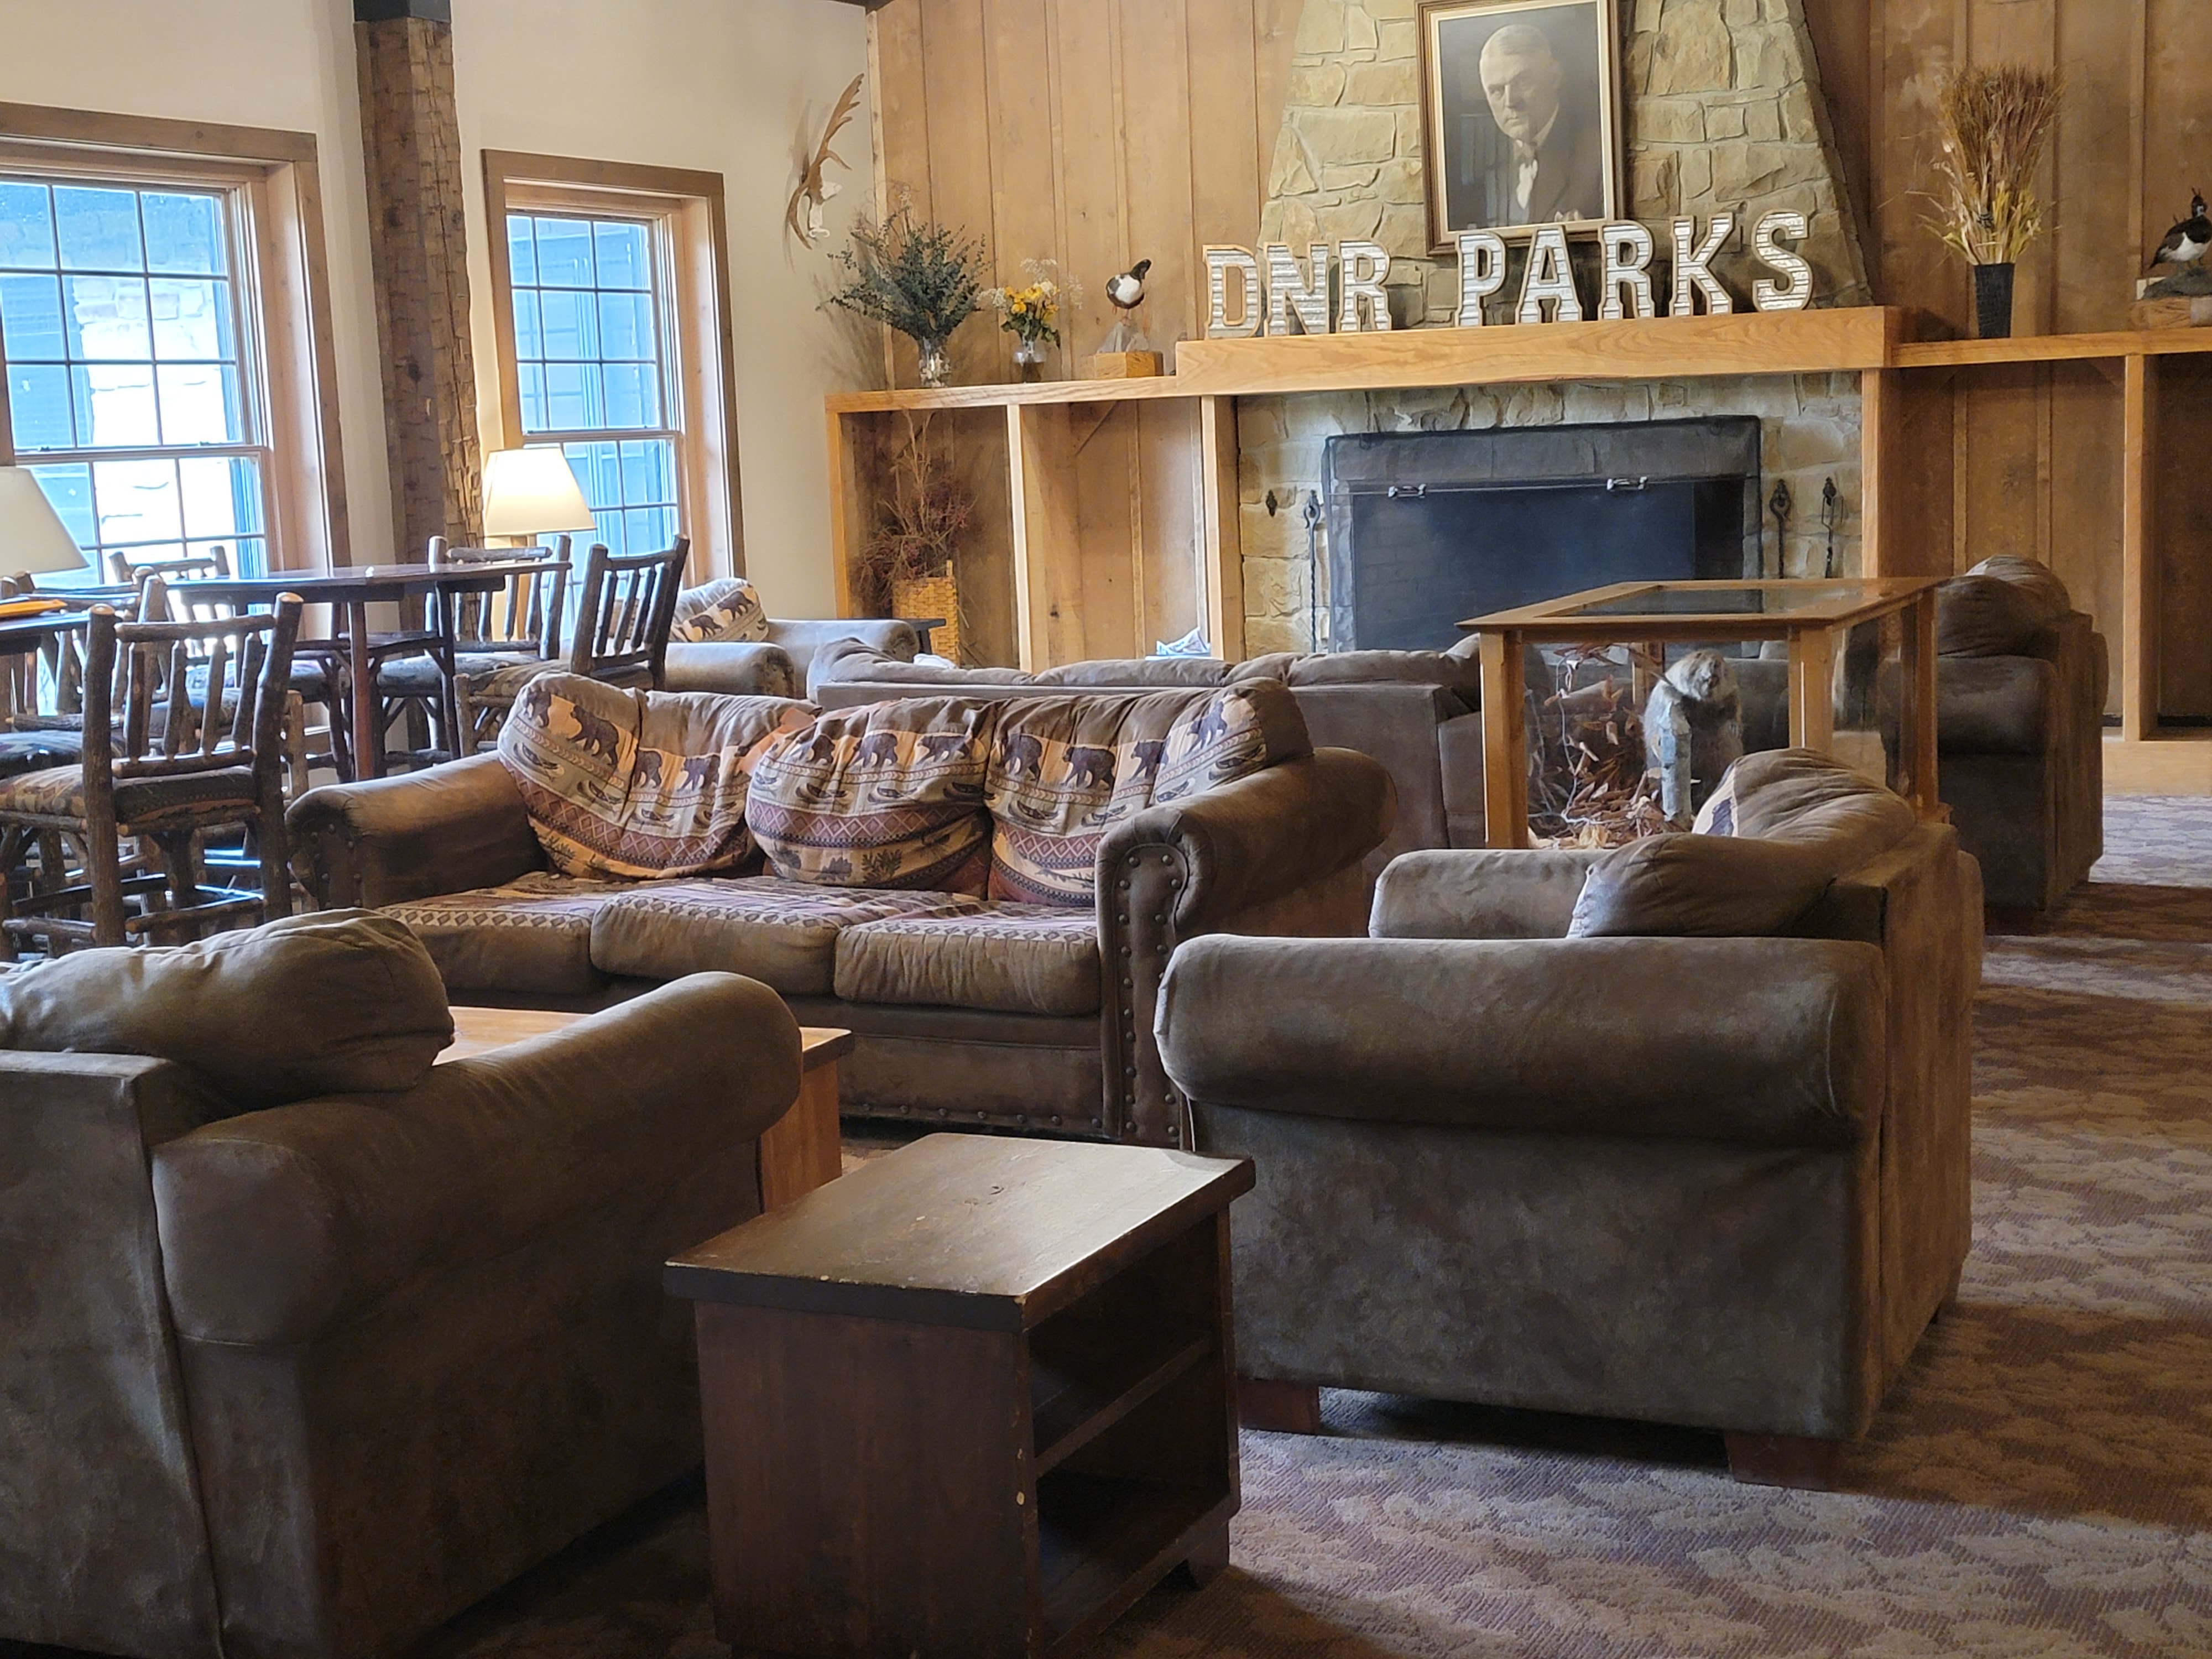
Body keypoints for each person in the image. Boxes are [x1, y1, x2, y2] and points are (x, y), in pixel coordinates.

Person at [1444, 20, 1605, 231]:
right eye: (1497, 91)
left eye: (1522, 82)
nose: (1511, 102)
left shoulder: (1598, 152)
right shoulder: (1477, 162)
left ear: (1555, 77)